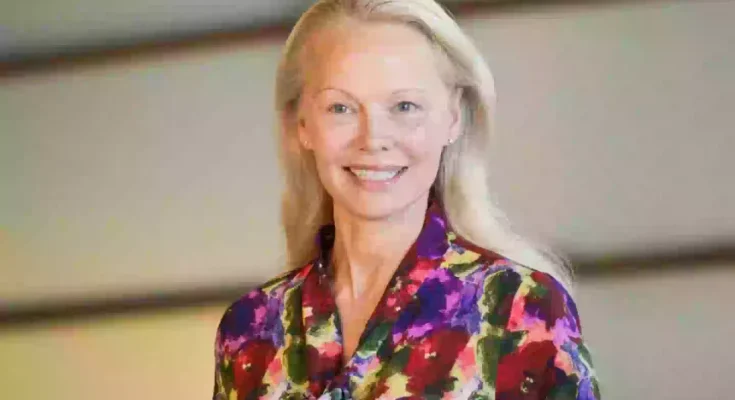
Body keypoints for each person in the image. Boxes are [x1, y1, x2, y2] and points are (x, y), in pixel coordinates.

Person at [213, 0, 600, 398]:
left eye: (404, 106)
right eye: (340, 107)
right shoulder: (250, 329)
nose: (373, 139)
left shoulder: (521, 309)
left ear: (453, 117)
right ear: (302, 124)